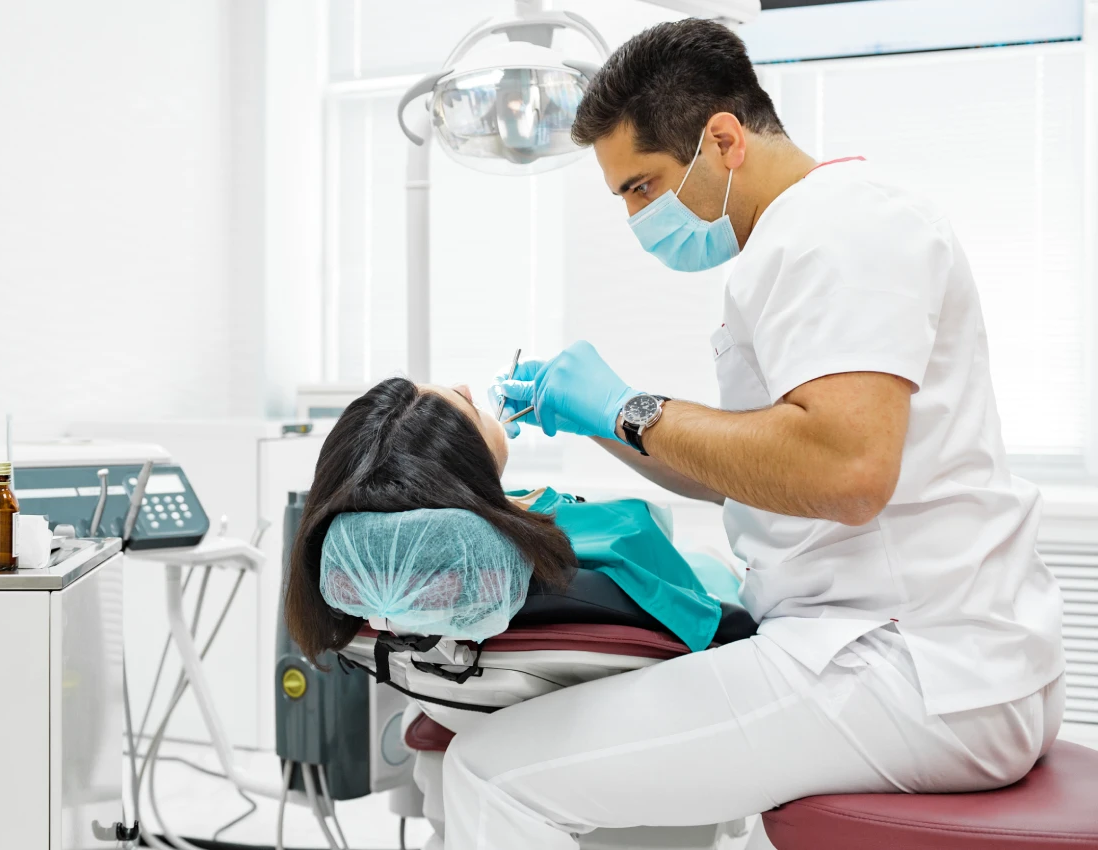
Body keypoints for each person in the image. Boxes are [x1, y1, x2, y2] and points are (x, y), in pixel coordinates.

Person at [449, 17, 1065, 850]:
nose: (637, 218)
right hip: (897, 651)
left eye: (641, 186)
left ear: (724, 138)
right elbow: (753, 467)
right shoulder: (802, 237)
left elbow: (846, 473)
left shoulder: (842, 229)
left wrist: (629, 406)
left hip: (913, 670)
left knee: (492, 771)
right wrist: (601, 419)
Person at [285, 376, 737, 665]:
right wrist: (617, 413)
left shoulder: (416, 566)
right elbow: (710, 611)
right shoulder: (555, 549)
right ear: (465, 467)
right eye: (467, 408)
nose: (464, 385)